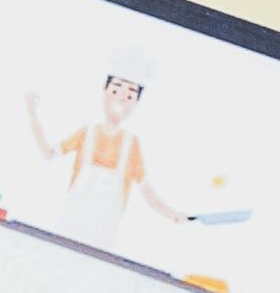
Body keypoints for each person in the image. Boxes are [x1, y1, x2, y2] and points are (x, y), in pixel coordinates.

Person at [25, 71, 185, 238]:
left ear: (136, 104)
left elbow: (147, 191)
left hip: (103, 232)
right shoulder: (86, 134)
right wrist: (31, 112)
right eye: (115, 91)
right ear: (104, 92)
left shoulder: (132, 145)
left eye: (130, 96)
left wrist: (172, 214)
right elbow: (48, 152)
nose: (121, 99)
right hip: (70, 223)